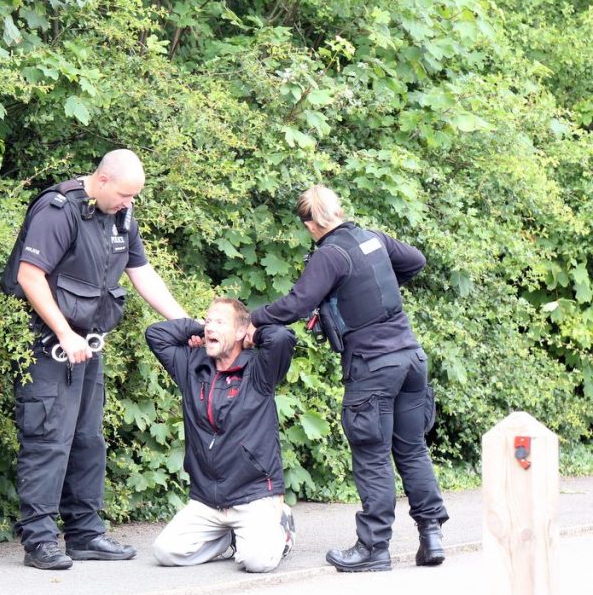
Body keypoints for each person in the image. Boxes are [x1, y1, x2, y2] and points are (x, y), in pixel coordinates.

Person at [2, 149, 188, 570]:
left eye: (134, 196)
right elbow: (30, 275)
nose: (130, 202)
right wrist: (64, 333)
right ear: (102, 180)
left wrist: (185, 322)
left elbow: (141, 272)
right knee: (49, 440)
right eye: (125, 194)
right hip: (48, 343)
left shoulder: (119, 215)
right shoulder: (58, 209)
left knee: (87, 440)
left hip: (87, 345)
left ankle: (85, 534)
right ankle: (40, 541)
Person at [250, 185, 448, 572]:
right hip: (411, 359)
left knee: (372, 456)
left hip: (373, 367)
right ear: (338, 210)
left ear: (310, 224)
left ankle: (374, 547)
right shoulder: (372, 238)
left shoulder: (330, 254)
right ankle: (431, 536)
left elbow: (295, 304)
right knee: (411, 449)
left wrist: (250, 319)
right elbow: (416, 260)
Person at [145, 299, 297, 572]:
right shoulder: (191, 365)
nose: (210, 328)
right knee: (166, 552)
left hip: (254, 495)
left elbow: (282, 337)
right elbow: (156, 334)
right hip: (207, 500)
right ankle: (229, 538)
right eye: (208, 320)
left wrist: (255, 330)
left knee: (257, 561)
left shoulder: (260, 371)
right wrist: (198, 328)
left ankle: (282, 527)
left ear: (240, 332)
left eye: (220, 322)